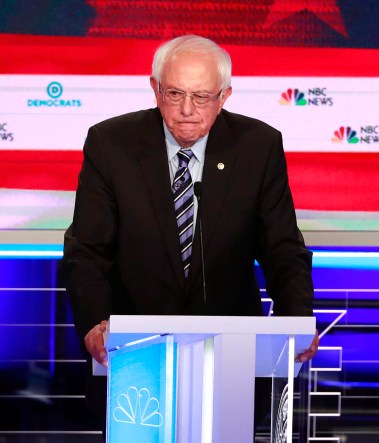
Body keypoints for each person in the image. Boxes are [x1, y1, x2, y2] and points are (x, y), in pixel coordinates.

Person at [59, 34, 318, 429]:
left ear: (225, 96)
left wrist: (296, 323)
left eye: (201, 97)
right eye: (175, 93)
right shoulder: (111, 143)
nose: (185, 110)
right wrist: (95, 322)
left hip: (230, 354)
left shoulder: (258, 146)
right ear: (155, 89)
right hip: (134, 354)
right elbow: (88, 250)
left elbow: (282, 248)